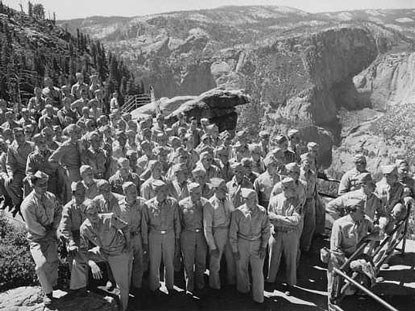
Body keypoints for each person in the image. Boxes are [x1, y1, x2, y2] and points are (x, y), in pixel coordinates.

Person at [327, 198, 380, 311]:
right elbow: (335, 249)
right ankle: (332, 307)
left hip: (356, 256)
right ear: (351, 212)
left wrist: (367, 237)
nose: (364, 213)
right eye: (361, 211)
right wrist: (349, 262)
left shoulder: (365, 221)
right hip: (340, 259)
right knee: (334, 287)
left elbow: (379, 235)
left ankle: (355, 295)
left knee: (352, 285)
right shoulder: (339, 224)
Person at [80, 200, 132, 311]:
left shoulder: (109, 218)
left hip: (118, 253)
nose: (94, 216)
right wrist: (91, 263)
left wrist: (128, 245)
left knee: (122, 286)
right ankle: (80, 289)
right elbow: (83, 249)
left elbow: (125, 227)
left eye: (95, 212)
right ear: (85, 215)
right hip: (103, 251)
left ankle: (123, 308)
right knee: (77, 260)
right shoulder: (84, 228)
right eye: (90, 214)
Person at [21, 171, 62, 307]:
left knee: (53, 262)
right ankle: (47, 293)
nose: (44, 187)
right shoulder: (28, 204)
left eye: (45, 184)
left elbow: (58, 212)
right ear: (33, 185)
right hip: (37, 238)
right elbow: (33, 225)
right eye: (40, 185)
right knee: (41, 265)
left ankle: (52, 286)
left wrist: (54, 228)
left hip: (50, 235)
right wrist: (48, 233)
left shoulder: (51, 197)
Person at [229, 188, 270, 303]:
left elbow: (266, 230)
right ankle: (243, 292)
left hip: (257, 243)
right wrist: (235, 250)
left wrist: (263, 247)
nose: (253, 201)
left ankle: (258, 297)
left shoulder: (262, 211)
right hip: (242, 243)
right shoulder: (238, 212)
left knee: (257, 272)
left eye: (252, 199)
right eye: (248, 199)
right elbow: (233, 233)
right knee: (241, 268)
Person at [141, 180, 181, 293]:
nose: (165, 193)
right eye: (162, 191)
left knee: (169, 262)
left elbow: (177, 221)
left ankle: (170, 285)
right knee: (154, 262)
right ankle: (154, 287)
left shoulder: (173, 203)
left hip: (169, 234)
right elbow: (144, 225)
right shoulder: (147, 205)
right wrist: (145, 242)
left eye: (166, 190)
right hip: (155, 235)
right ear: (155, 192)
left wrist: (177, 237)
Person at [267, 177, 302, 294]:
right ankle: (270, 282)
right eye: (291, 188)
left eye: (294, 188)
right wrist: (281, 221)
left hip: (290, 235)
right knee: (273, 259)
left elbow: (296, 220)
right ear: (283, 188)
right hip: (276, 233)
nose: (293, 191)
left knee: (291, 260)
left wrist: (278, 218)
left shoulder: (297, 201)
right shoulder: (274, 200)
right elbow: (269, 217)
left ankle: (290, 285)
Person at [204, 178, 236, 289]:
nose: (224, 191)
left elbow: (233, 213)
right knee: (215, 261)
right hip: (217, 233)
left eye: (225, 189)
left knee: (231, 259)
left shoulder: (227, 200)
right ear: (215, 190)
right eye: (222, 189)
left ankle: (232, 282)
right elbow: (207, 228)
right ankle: (214, 286)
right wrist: (212, 246)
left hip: (229, 231)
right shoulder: (209, 204)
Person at [58, 181, 89, 295]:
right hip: (74, 237)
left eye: (83, 194)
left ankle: (88, 283)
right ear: (74, 194)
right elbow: (65, 228)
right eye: (79, 194)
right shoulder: (68, 208)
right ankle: (80, 288)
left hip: (88, 235)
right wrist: (71, 242)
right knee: (76, 260)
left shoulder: (88, 204)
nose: (81, 197)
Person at [178, 183, 209, 295]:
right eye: (196, 193)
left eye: (200, 193)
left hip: (201, 234)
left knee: (201, 260)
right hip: (187, 234)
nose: (199, 195)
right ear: (190, 193)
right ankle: (189, 286)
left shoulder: (205, 203)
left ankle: (200, 283)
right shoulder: (182, 204)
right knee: (188, 261)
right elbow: (179, 221)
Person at [119, 182, 146, 292]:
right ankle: (126, 286)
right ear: (125, 193)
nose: (135, 194)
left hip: (137, 236)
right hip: (125, 239)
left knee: (139, 261)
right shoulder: (118, 206)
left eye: (136, 191)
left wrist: (145, 240)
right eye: (132, 192)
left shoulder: (142, 203)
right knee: (126, 262)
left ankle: (137, 285)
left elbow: (145, 222)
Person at [5, 127, 34, 215]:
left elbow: (36, 160)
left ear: (24, 135)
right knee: (8, 184)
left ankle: (28, 207)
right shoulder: (11, 148)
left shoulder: (31, 146)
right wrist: (10, 175)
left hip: (32, 171)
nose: (18, 138)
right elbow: (10, 163)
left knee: (27, 184)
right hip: (20, 171)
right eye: (16, 136)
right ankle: (18, 203)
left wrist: (31, 174)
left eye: (20, 135)